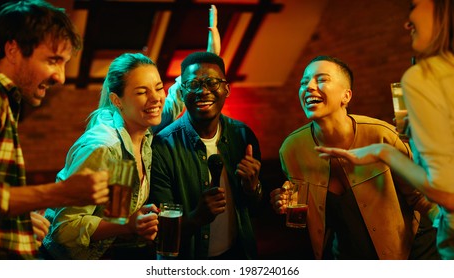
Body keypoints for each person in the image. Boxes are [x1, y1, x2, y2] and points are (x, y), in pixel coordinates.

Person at [41, 5, 222, 260]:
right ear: (117, 100)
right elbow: (63, 230)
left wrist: (209, 55)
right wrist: (128, 225)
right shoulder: (101, 147)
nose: (155, 99)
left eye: (158, 87)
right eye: (141, 92)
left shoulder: (143, 127)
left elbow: (175, 96)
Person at [315, 0, 454, 260]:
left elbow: (445, 193)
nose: (407, 21)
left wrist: (384, 152)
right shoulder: (292, 148)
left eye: (413, 6)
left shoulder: (424, 78)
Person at [270, 55, 439, 260]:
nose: (309, 87)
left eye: (321, 79)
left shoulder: (382, 135)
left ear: (346, 96)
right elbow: (303, 213)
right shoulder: (292, 149)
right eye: (304, 83)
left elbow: (419, 197)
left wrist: (447, 226)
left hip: (409, 251)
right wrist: (284, 201)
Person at [0, 0, 110, 259]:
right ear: (13, 49)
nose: (61, 77)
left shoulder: (4, 98)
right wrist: (61, 192)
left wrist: (16, 222)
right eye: (53, 60)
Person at [149, 51, 263, 260]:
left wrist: (252, 189)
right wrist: (197, 217)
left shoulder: (242, 135)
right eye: (193, 84)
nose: (203, 91)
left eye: (211, 82)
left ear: (226, 89)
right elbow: (162, 233)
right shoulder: (163, 147)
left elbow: (257, 211)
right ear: (182, 93)